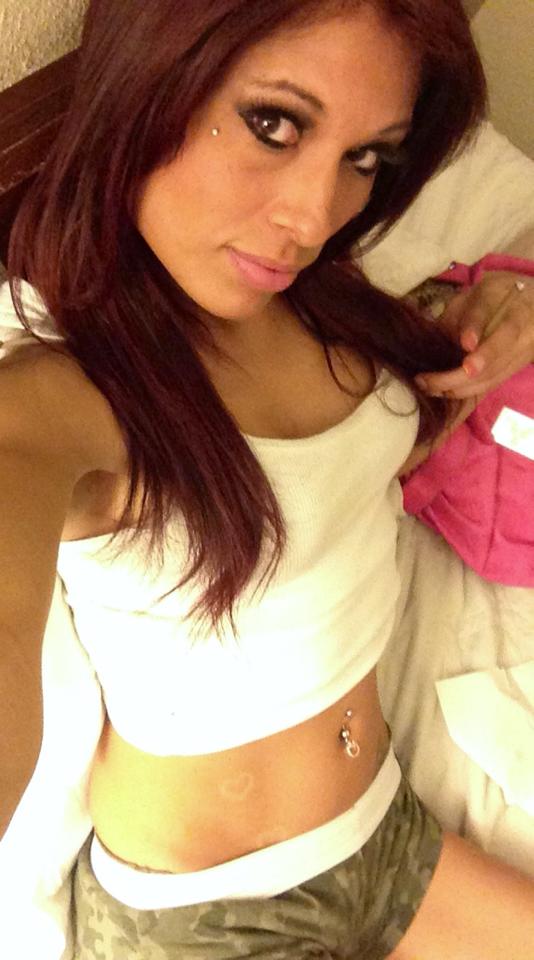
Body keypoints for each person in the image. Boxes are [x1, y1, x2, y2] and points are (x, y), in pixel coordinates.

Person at [1, 1, 534, 958]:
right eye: (273, 124)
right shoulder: (61, 397)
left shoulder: (334, 309)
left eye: (364, 157)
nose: (313, 217)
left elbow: (360, 467)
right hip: (205, 917)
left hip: (386, 841)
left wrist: (501, 306)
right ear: (149, 85)